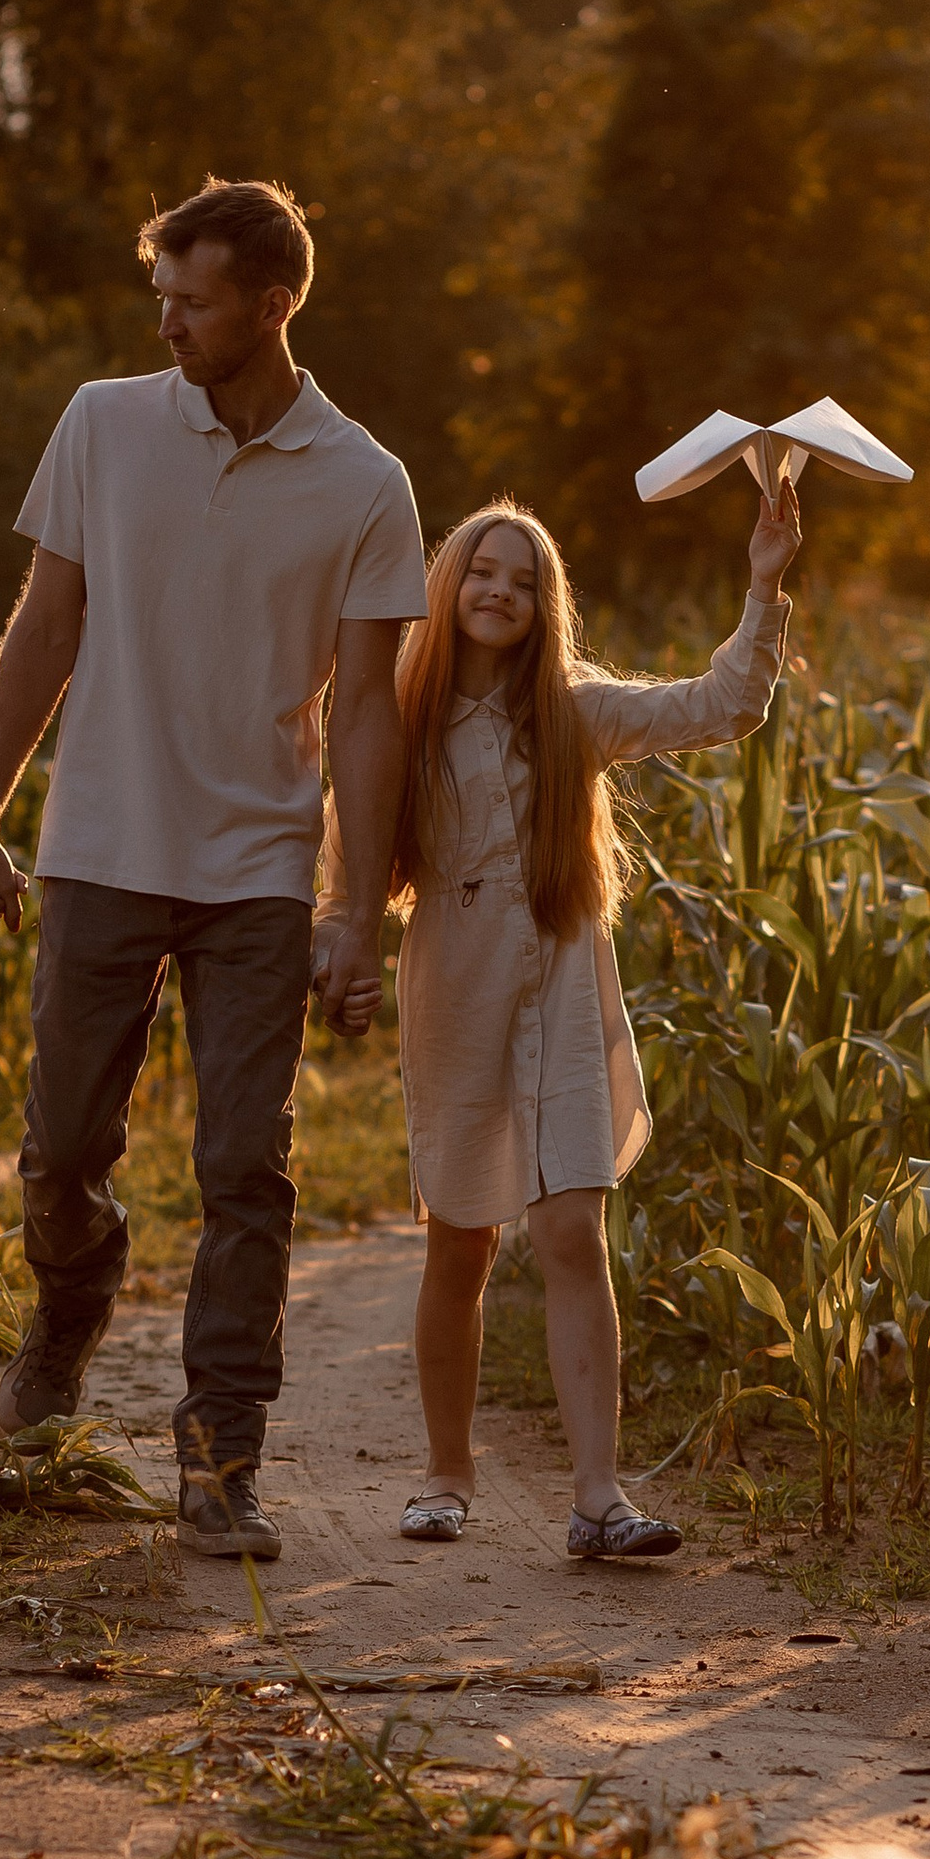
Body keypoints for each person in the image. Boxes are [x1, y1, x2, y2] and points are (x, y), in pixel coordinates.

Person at [0, 177, 426, 1560]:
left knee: (244, 1170)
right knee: (61, 1153)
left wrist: (353, 908)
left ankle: (220, 1457)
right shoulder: (103, 423)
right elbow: (43, 625)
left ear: (272, 307)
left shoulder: (365, 482)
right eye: (159, 294)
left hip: (260, 868)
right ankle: (70, 1309)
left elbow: (372, 709)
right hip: (99, 844)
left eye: (191, 300)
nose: (165, 321)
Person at [362, 485, 801, 1559]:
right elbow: (347, 847)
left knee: (570, 1229)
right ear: (449, 581)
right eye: (483, 570)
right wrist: (335, 948)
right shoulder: (399, 715)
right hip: (453, 989)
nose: (500, 590)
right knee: (458, 1239)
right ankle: (444, 1474)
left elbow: (722, 704)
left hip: (562, 980)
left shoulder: (574, 709)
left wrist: (764, 583)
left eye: (523, 579)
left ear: (544, 605)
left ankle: (598, 1499)